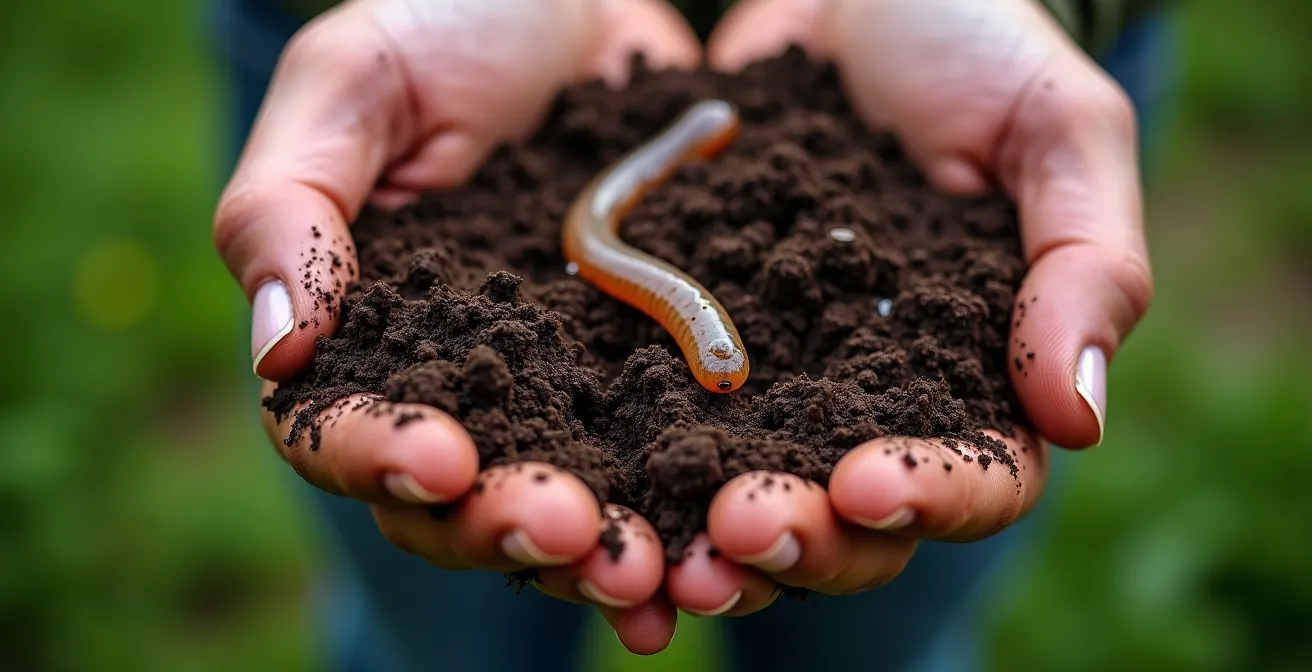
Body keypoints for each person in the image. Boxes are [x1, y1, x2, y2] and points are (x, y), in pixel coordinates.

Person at [210, 0, 1172, 669]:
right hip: (418, 62)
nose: (720, 371)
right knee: (439, 640)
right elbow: (598, 245)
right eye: (714, 360)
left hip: (939, 71)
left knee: (879, 636)